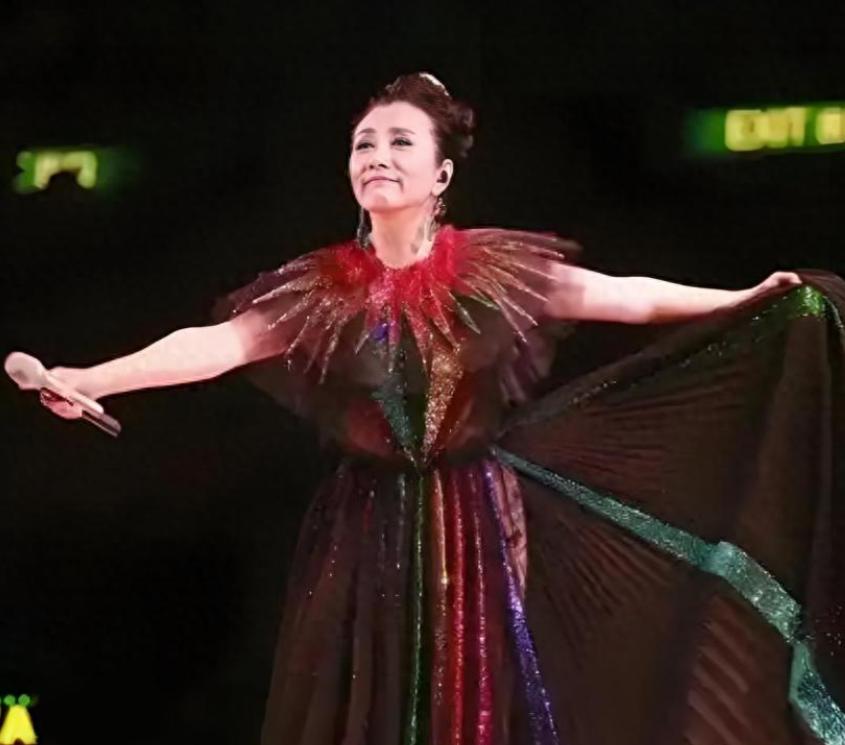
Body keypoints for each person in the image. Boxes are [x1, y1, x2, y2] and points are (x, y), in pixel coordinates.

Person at [36, 73, 844, 745]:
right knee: (368, 697)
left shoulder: (490, 269)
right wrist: (93, 377)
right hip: (363, 525)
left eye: (399, 142)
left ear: (441, 174)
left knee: (471, 700)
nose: (376, 157)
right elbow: (215, 344)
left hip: (473, 518)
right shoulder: (321, 288)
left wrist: (738, 297)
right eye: (363, 145)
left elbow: (621, 296)